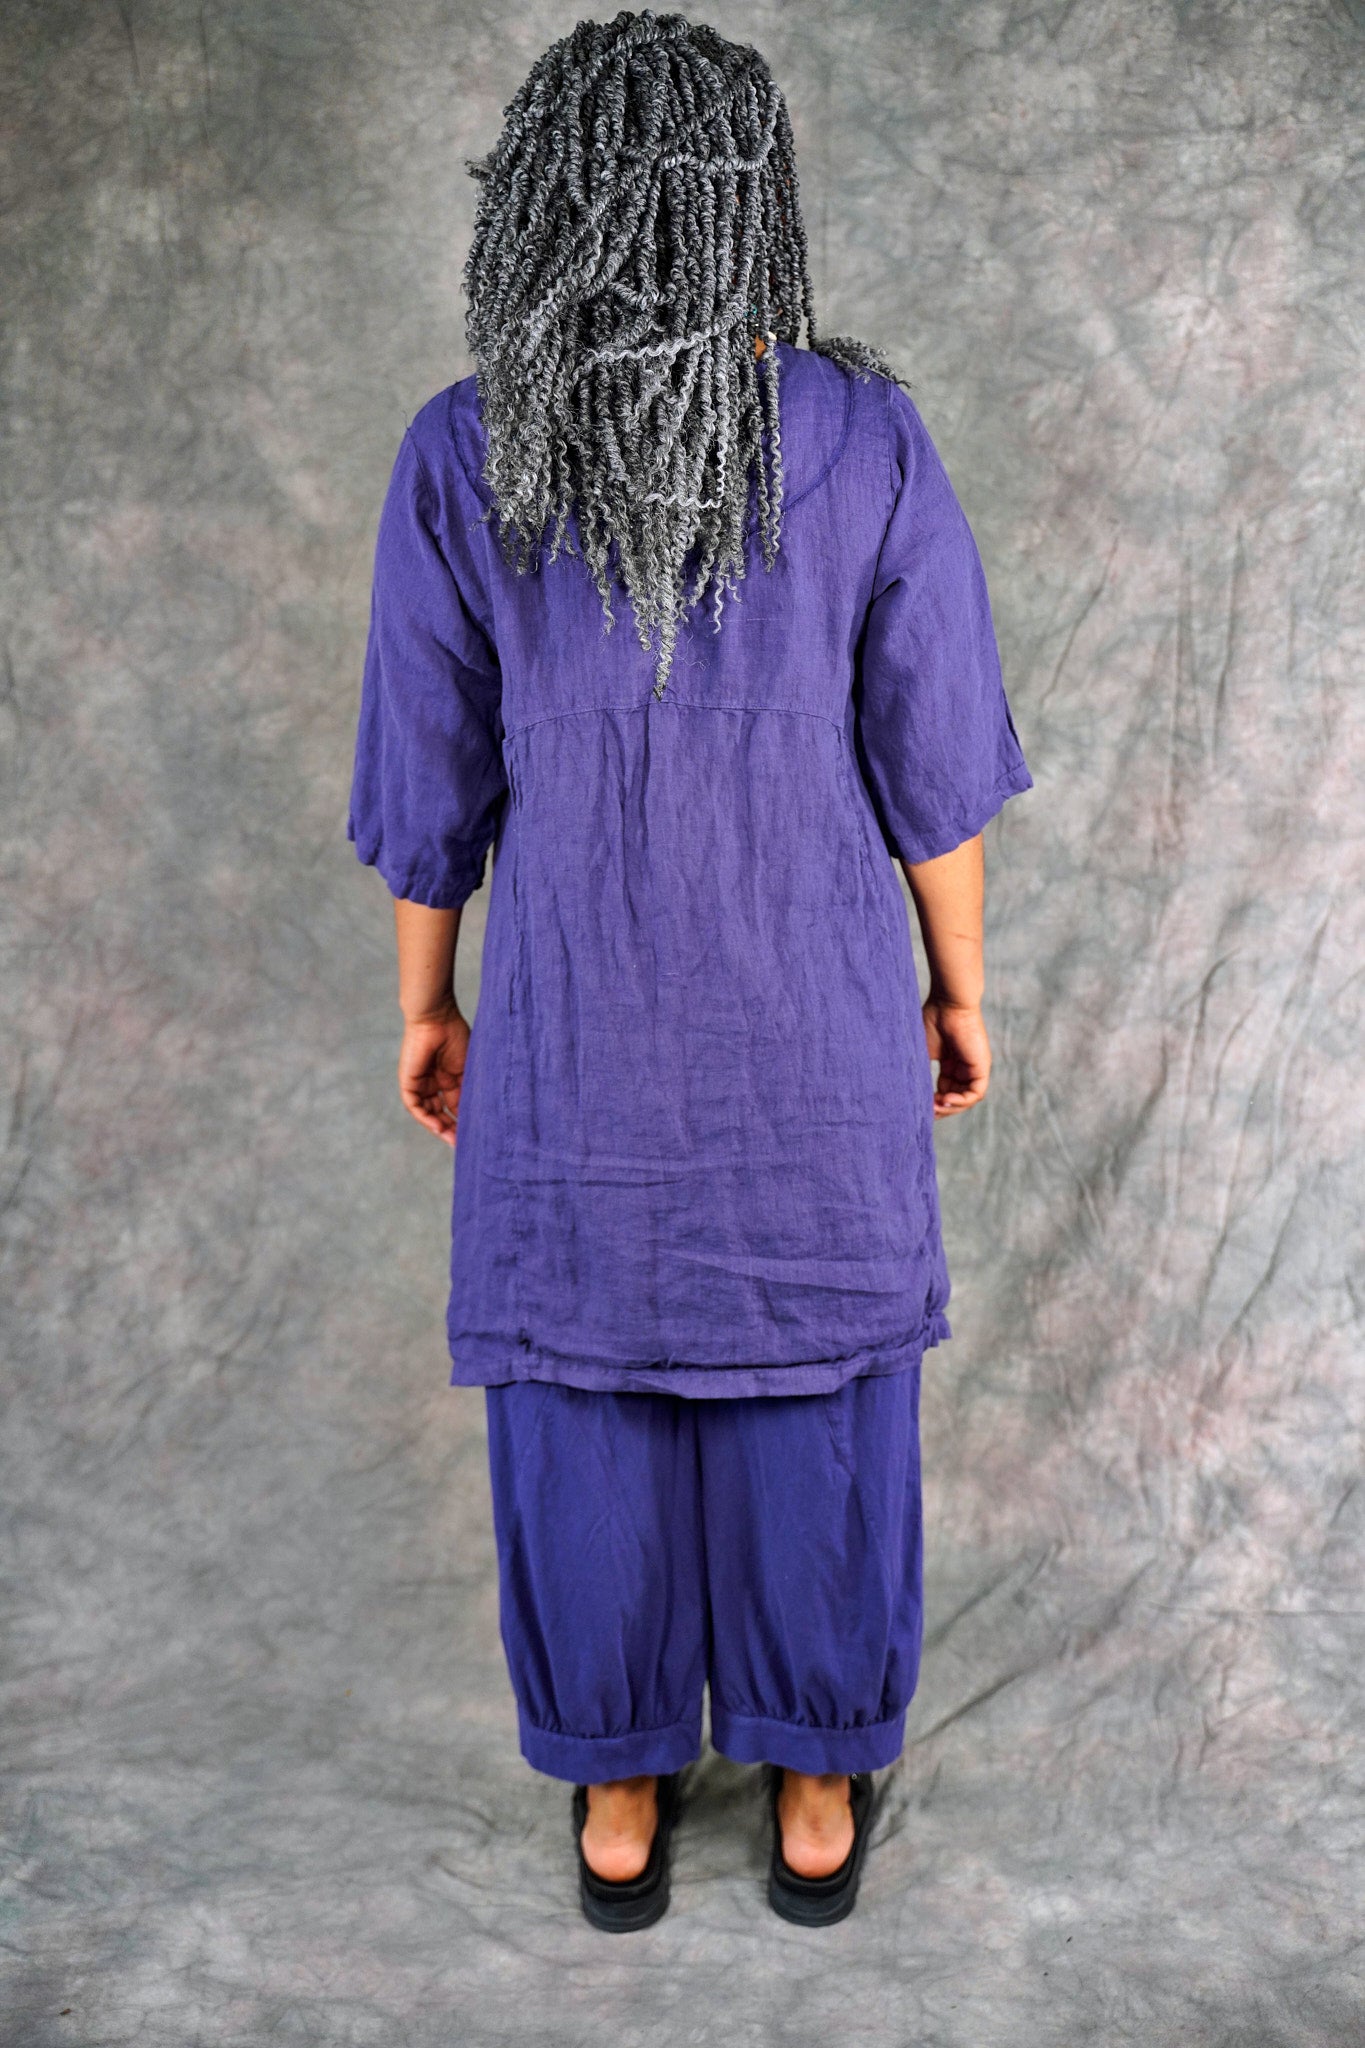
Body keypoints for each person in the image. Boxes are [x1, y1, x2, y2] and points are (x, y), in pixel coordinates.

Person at [347, 9, 1032, 1931]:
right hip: (810, 1021)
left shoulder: (467, 447)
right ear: (752, 203)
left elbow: (428, 780)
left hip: (572, 1032)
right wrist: (958, 990)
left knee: (581, 1388)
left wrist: (426, 1006)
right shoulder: (860, 437)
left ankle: (618, 1793)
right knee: (821, 1381)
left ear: (544, 200)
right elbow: (934, 765)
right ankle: (815, 1784)